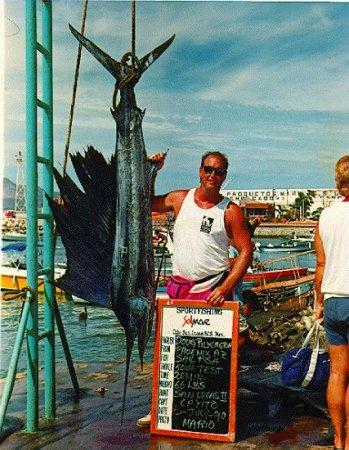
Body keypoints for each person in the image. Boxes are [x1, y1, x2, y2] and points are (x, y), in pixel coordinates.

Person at [137, 150, 253, 428]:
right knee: (173, 352)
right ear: (200, 171)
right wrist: (154, 171)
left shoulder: (231, 211)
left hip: (212, 290)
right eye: (208, 169)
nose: (213, 175)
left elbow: (246, 251)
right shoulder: (180, 199)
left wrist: (226, 288)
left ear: (225, 176)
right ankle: (162, 409)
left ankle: (214, 412)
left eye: (219, 171)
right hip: (179, 289)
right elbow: (146, 204)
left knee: (213, 355)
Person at [315, 155, 349, 450]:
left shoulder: (325, 216)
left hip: (334, 300)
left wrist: (318, 302)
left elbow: (321, 265)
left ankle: (339, 438)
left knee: (338, 372)